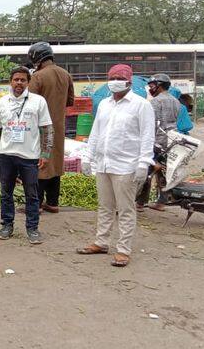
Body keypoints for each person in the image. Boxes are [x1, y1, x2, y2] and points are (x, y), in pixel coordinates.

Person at [78, 64, 155, 267]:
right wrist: (88, 157)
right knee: (105, 206)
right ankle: (101, 242)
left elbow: (147, 136)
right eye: (111, 77)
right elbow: (96, 133)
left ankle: (123, 249)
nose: (114, 81)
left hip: (126, 165)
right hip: (103, 164)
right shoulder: (104, 104)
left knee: (125, 209)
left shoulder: (141, 105)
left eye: (119, 77)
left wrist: (143, 163)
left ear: (129, 81)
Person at [0, 66, 53, 244]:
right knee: (5, 193)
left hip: (29, 156)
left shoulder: (38, 102)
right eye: (16, 79)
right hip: (6, 155)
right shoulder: (1, 103)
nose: (19, 83)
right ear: (11, 81)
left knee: (32, 194)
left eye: (23, 80)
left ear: (28, 82)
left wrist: (45, 153)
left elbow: (46, 129)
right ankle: (7, 225)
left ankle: (32, 228)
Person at [27, 41, 75, 214]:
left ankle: (36, 204)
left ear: (36, 59)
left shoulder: (38, 76)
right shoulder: (65, 74)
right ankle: (53, 202)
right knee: (56, 162)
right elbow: (70, 101)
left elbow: (28, 102)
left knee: (39, 163)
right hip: (59, 126)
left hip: (39, 127)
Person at [136, 74, 181, 212]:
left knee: (147, 172)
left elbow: (150, 124)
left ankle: (140, 203)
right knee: (163, 171)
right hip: (172, 140)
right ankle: (162, 202)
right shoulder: (176, 101)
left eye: (152, 86)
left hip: (157, 141)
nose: (150, 88)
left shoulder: (155, 102)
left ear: (159, 86)